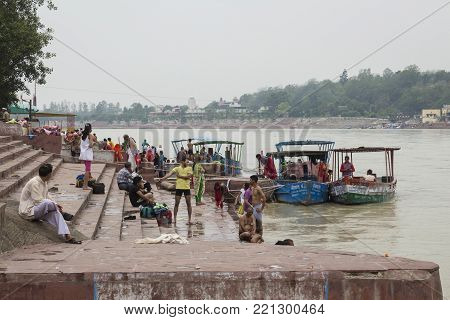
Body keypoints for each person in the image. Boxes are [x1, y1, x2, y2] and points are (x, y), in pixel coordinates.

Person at [18, 164, 81, 244]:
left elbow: (47, 195)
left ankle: (67, 236)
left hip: (39, 210)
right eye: (51, 174)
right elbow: (38, 201)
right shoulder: (34, 183)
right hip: (29, 211)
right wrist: (54, 205)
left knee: (56, 213)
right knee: (47, 203)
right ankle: (62, 213)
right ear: (48, 175)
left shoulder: (44, 182)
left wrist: (56, 204)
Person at [157, 155, 193, 225]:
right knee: (176, 204)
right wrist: (162, 179)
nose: (187, 162)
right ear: (182, 161)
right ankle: (175, 219)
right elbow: (169, 174)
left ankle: (189, 220)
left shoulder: (189, 168)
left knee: (189, 204)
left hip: (186, 188)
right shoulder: (177, 168)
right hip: (179, 187)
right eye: (186, 161)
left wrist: (180, 176)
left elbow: (188, 177)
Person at [79, 123, 94, 190]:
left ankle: (86, 184)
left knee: (87, 170)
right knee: (87, 170)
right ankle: (85, 186)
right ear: (90, 129)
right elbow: (90, 145)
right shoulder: (90, 135)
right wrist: (93, 143)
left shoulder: (82, 134)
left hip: (83, 154)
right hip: (88, 154)